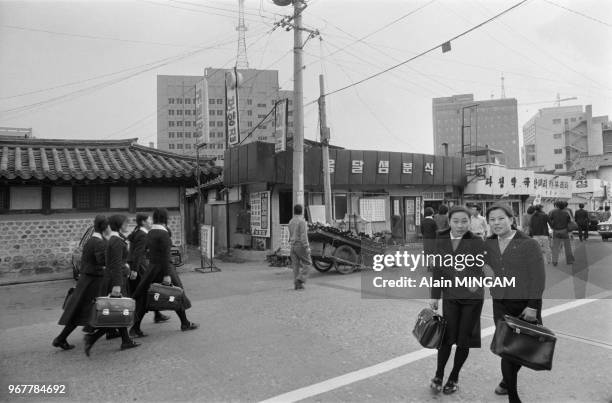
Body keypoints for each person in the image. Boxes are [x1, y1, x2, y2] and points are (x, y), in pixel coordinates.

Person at [484, 203, 545, 403]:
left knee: (522, 347)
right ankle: (513, 396)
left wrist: (533, 306)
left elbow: (538, 278)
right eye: (492, 220)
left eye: (501, 218)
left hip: (525, 304)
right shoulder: (489, 243)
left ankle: (505, 381)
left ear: (511, 219)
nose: (496, 223)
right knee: (508, 349)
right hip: (501, 303)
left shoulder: (528, 243)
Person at [429, 206, 485, 395]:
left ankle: (454, 377)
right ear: (449, 221)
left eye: (464, 221)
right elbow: (438, 268)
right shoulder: (442, 237)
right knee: (446, 338)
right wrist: (434, 296)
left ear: (470, 222)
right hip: (451, 296)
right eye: (456, 221)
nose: (460, 225)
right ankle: (438, 374)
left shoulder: (476, 241)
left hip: (472, 298)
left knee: (463, 340)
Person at [131, 208, 198, 335]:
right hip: (165, 268)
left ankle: (135, 328)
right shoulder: (163, 233)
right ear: (164, 218)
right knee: (178, 294)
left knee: (145, 297)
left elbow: (144, 251)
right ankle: (185, 323)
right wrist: (167, 274)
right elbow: (167, 256)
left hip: (152, 269)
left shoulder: (150, 232)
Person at [84, 215, 140, 356]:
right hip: (116, 280)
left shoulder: (115, 239)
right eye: (125, 222)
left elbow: (117, 262)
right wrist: (117, 285)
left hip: (116, 279)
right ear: (118, 224)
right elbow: (114, 265)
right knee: (119, 311)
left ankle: (125, 340)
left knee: (120, 311)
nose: (127, 224)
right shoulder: (115, 241)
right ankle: (92, 337)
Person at [53, 216, 109, 350]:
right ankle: (62, 338)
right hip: (92, 281)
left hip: (87, 280)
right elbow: (101, 261)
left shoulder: (92, 240)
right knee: (82, 312)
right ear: (104, 227)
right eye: (108, 226)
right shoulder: (98, 243)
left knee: (85, 310)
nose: (109, 229)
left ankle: (95, 331)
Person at [127, 213, 169, 328]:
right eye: (149, 220)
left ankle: (157, 314)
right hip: (140, 266)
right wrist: (135, 269)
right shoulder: (142, 234)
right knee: (144, 293)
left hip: (138, 265)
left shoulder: (138, 232)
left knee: (148, 291)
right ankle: (134, 323)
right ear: (143, 222)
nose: (151, 221)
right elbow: (138, 253)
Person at [288, 204, 311, 290]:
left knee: (295, 266)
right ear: (302, 211)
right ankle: (300, 280)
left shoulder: (291, 221)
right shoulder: (302, 221)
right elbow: (303, 236)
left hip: (292, 246)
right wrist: (307, 247)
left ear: (294, 211)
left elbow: (290, 234)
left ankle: (297, 285)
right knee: (308, 263)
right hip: (300, 245)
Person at [549, 200, 574, 266]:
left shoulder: (553, 212)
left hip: (556, 231)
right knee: (567, 247)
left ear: (557, 205)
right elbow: (570, 221)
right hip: (564, 231)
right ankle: (569, 261)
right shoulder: (566, 212)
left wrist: (552, 226)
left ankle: (554, 261)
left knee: (555, 247)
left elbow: (550, 219)